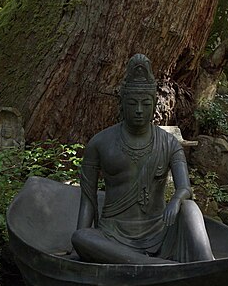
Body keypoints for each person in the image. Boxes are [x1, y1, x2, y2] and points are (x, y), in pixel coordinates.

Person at [71, 54, 214, 264]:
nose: (139, 110)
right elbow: (88, 199)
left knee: (190, 208)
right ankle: (161, 267)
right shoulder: (100, 143)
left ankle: (207, 265)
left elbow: (185, 188)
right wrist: (80, 247)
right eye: (132, 103)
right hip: (114, 236)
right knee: (81, 237)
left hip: (159, 232)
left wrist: (176, 199)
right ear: (122, 104)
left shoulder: (168, 143)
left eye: (145, 104)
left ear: (155, 104)